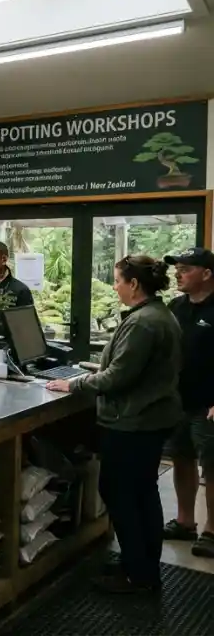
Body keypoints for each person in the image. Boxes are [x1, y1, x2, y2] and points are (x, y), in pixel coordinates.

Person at [46, 255, 182, 593]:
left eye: (118, 280)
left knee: (122, 493)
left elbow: (120, 376)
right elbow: (133, 368)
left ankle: (138, 574)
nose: (115, 287)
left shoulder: (142, 323)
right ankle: (142, 565)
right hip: (149, 419)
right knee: (142, 493)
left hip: (134, 422)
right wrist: (95, 371)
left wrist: (74, 384)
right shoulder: (159, 315)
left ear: (134, 284)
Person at [160, 247, 214, 555]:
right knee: (181, 458)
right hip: (178, 400)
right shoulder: (176, 307)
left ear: (206, 274)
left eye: (185, 268)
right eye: (176, 268)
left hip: (209, 404)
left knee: (213, 467)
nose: (177, 273)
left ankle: (212, 531)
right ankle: (185, 521)